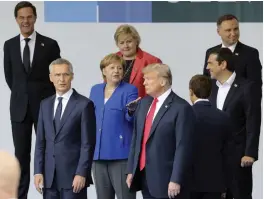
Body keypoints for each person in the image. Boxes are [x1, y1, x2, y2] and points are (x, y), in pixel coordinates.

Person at [3, 2, 61, 198]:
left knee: (47, 152)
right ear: (16, 19)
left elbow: (56, 75)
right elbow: (10, 77)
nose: (25, 21)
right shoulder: (9, 45)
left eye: (29, 17)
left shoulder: (50, 45)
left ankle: (51, 193)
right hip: (19, 109)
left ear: (35, 18)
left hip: (44, 107)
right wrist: (24, 95)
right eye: (22, 17)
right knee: (21, 156)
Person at [126, 63, 195, 199]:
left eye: (148, 79)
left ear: (163, 81)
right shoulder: (143, 103)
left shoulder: (181, 108)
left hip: (167, 179)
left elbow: (183, 147)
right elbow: (136, 138)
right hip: (144, 176)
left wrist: (176, 179)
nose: (144, 82)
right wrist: (131, 170)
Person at [34, 58, 96, 199]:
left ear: (72, 76)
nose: (62, 79)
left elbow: (88, 144)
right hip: (49, 178)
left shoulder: (84, 104)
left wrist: (81, 173)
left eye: (66, 74)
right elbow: (40, 142)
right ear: (51, 78)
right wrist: (38, 171)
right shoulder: (45, 105)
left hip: (73, 178)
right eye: (57, 75)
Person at [206, 48, 261, 199]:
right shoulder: (210, 88)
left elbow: (253, 121)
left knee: (239, 194)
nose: (207, 67)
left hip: (238, 157)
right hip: (214, 157)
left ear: (222, 64)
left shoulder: (247, 87)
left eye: (210, 63)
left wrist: (250, 153)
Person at [89, 53, 138, 199]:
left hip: (121, 155)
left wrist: (131, 111)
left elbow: (132, 118)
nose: (116, 71)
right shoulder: (95, 89)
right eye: (112, 68)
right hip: (98, 155)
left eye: (120, 68)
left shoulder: (130, 90)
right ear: (104, 71)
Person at [189, 75, 232, 199]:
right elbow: (228, 153)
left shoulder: (185, 115)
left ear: (191, 91)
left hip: (189, 181)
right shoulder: (223, 117)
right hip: (216, 182)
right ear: (210, 91)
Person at [203, 14, 262, 97]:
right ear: (218, 32)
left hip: (239, 108)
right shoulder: (210, 52)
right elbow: (206, 82)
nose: (233, 33)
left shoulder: (250, 53)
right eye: (228, 30)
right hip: (215, 107)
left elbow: (255, 87)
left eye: (236, 29)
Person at [114, 24, 162, 97]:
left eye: (129, 41)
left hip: (142, 106)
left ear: (136, 41)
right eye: (122, 42)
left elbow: (158, 89)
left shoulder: (152, 61)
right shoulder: (112, 59)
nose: (125, 46)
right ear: (117, 44)